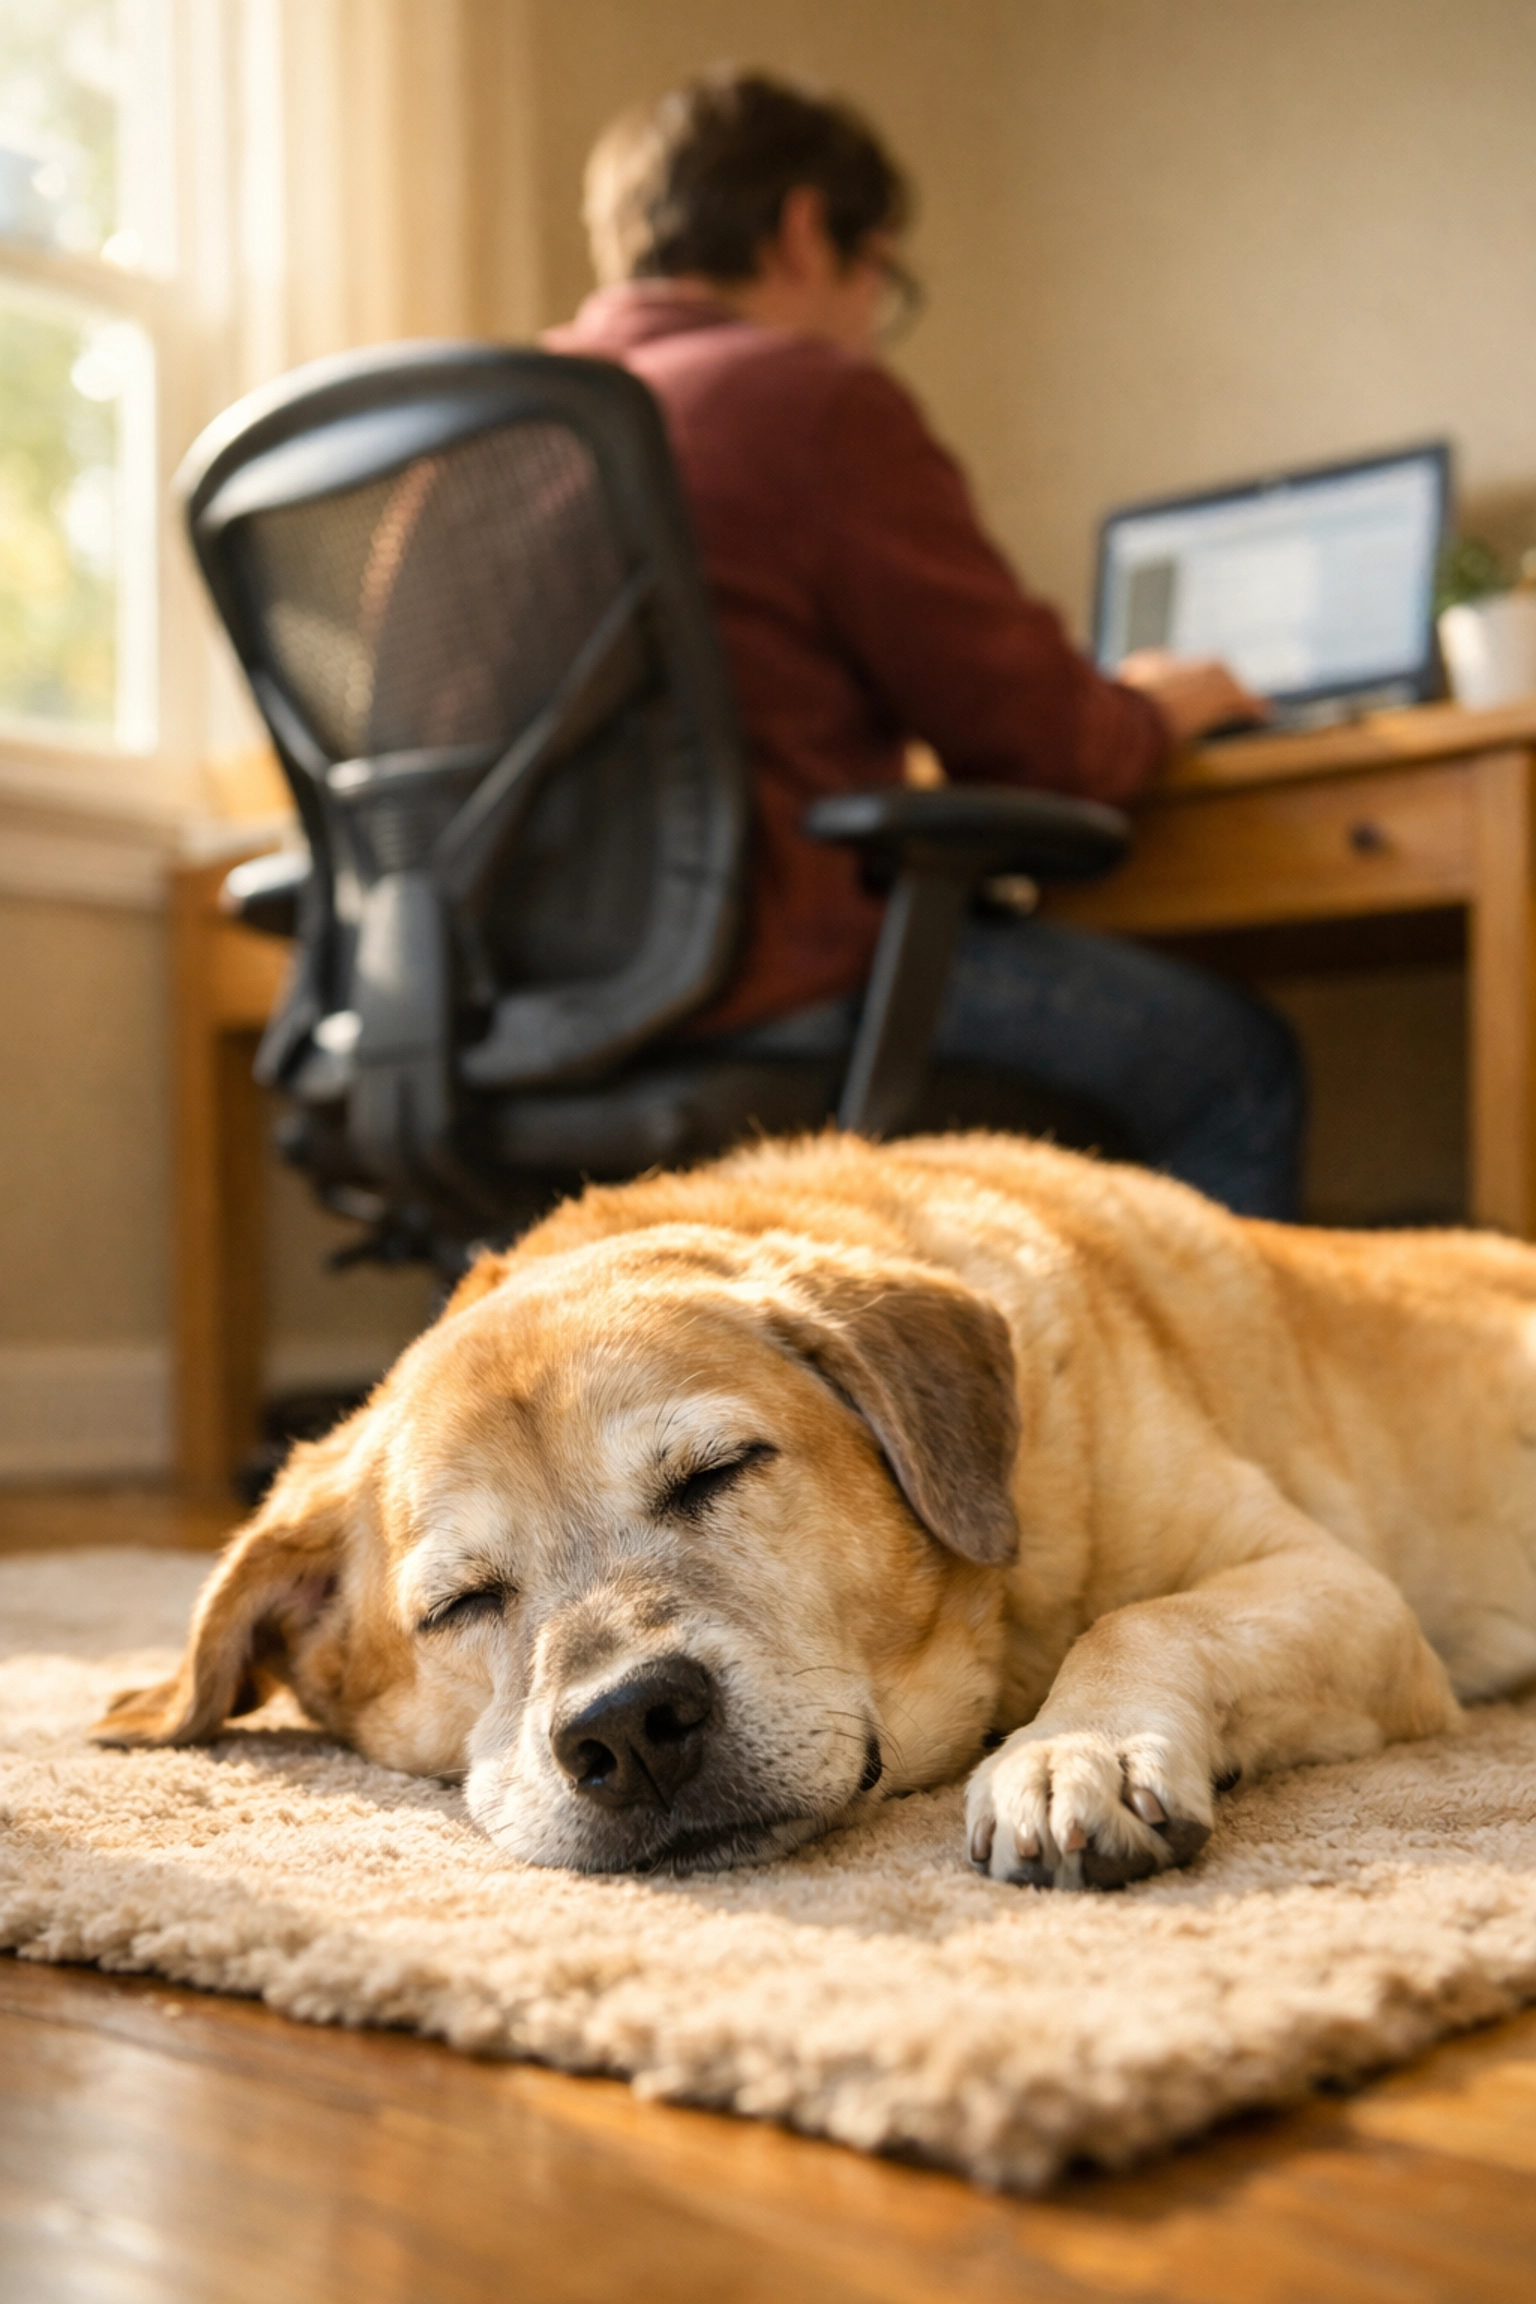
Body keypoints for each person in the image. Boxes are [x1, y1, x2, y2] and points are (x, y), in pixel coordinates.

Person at [545, 70, 1305, 1219]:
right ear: (808, 228)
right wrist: (1160, 705)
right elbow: (1043, 742)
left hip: (510, 1012)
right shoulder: (802, 399)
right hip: (773, 976)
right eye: (882, 279)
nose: (871, 323)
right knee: (1236, 1069)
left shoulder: (484, 443)